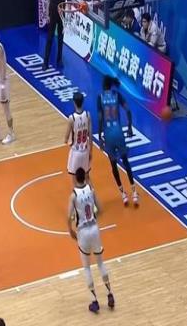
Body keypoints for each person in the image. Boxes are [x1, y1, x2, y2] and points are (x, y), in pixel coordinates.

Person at [67, 167, 115, 313]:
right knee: (100, 263)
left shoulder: (73, 195)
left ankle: (94, 301)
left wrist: (70, 230)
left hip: (83, 232)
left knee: (87, 267)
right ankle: (110, 294)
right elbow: (100, 209)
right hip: (94, 229)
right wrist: (93, 218)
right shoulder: (91, 190)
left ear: (75, 178)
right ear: (85, 177)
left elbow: (68, 216)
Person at [98, 76, 138, 205]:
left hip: (108, 135)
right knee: (125, 162)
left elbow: (100, 118)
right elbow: (128, 110)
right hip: (119, 133)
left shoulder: (100, 97)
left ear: (103, 85)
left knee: (113, 165)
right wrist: (130, 126)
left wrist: (100, 137)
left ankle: (123, 194)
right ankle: (134, 192)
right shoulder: (117, 95)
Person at [65, 92, 92, 184]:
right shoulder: (87, 115)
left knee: (74, 178)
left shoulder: (72, 118)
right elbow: (90, 136)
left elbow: (66, 139)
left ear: (74, 102)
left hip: (76, 152)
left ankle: (77, 193)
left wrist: (69, 142)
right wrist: (90, 152)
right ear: (83, 101)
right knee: (87, 176)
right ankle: (91, 192)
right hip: (85, 150)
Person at [43, 0, 66, 70]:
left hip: (61, 15)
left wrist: (66, 18)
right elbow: (48, 0)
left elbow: (67, 1)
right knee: (50, 38)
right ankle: (45, 62)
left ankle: (59, 60)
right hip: (52, 14)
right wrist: (47, 15)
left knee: (61, 39)